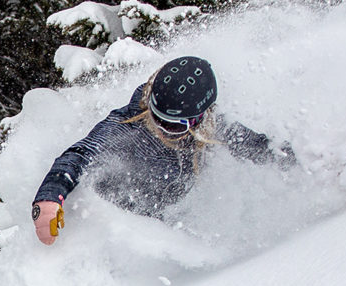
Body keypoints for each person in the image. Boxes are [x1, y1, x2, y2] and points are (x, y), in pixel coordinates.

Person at [31, 55, 295, 245]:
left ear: (198, 119)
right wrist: (49, 198)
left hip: (164, 219)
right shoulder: (130, 126)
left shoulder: (211, 130)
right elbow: (78, 155)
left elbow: (258, 147)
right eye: (156, 116)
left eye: (172, 125)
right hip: (118, 223)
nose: (159, 127)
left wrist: (304, 161)